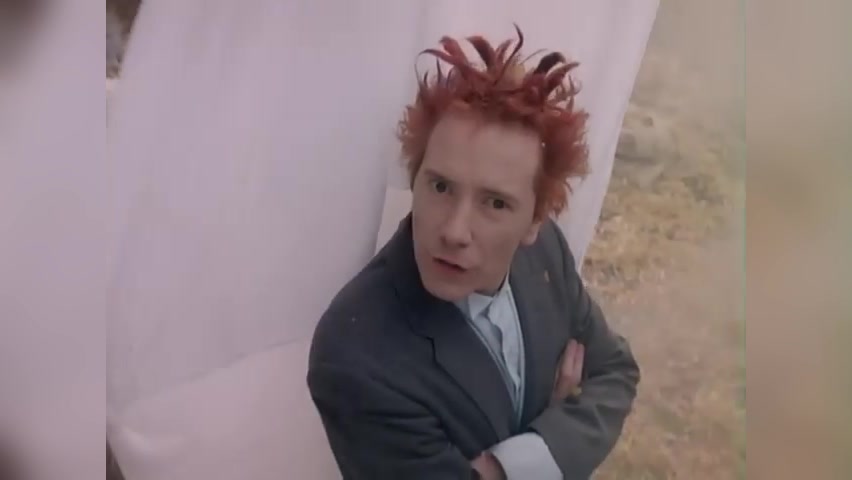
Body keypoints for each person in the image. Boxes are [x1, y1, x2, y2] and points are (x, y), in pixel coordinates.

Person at [307, 27, 640, 480]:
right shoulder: (355, 354)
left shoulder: (544, 250)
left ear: (535, 220)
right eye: (441, 187)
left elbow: (615, 371)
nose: (454, 231)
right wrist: (560, 427)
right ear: (416, 178)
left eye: (495, 203)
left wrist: (509, 465)